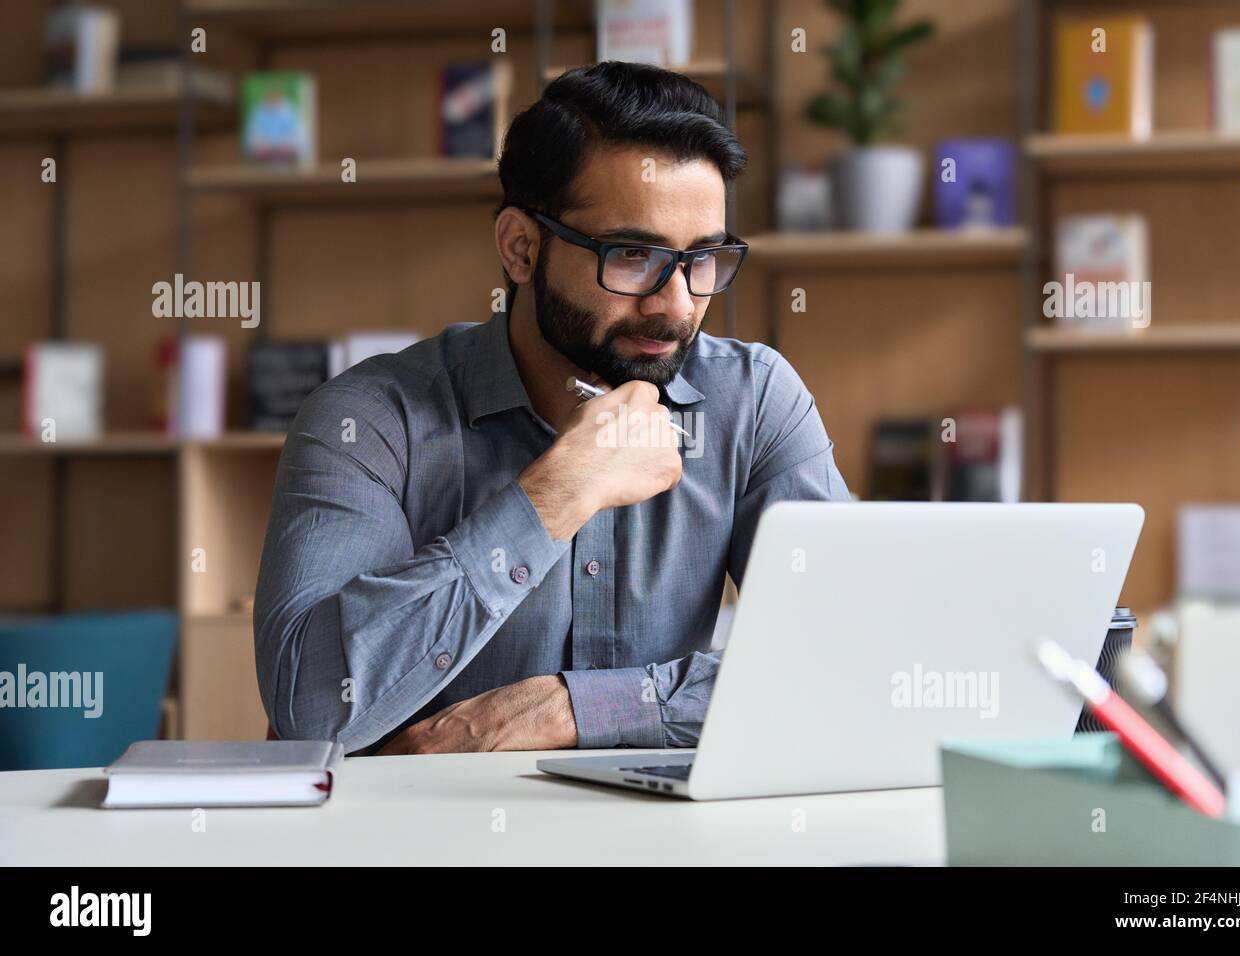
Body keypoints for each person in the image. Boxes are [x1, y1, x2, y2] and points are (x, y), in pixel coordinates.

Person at [253, 61, 852, 756]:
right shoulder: (369, 421)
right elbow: (312, 708)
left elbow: (848, 657)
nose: (679, 305)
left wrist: (572, 709)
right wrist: (554, 496)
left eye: (704, 260)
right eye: (632, 254)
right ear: (520, 247)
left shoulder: (753, 401)